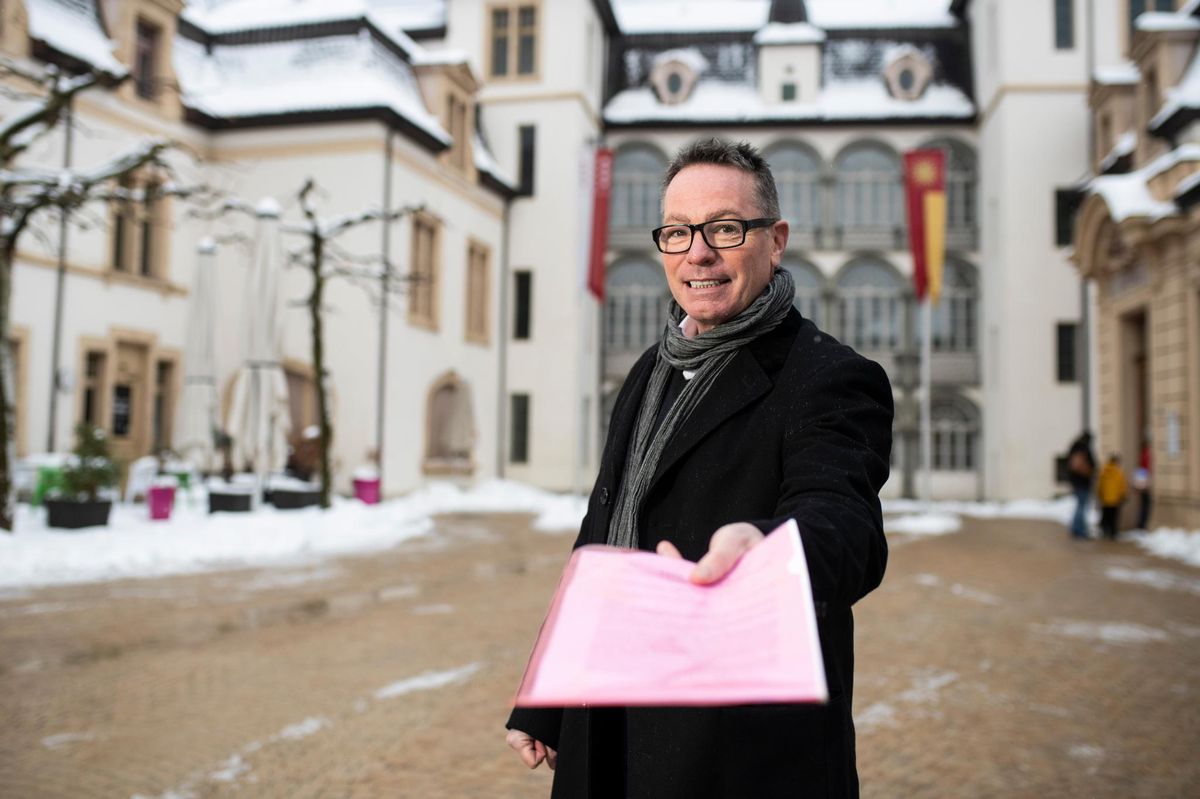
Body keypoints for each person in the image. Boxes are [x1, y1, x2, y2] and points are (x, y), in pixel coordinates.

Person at [505, 138, 893, 798]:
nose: (698, 252)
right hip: (609, 723)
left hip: (736, 755)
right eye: (678, 231)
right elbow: (603, 534)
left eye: (725, 228)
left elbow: (844, 521)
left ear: (776, 241)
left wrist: (769, 552)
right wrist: (547, 697)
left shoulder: (828, 376)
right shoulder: (650, 369)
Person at [1065, 431, 1097, 539]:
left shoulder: (1075, 448)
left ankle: (1076, 528)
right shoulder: (1083, 449)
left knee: (1080, 506)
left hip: (1077, 482)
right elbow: (1090, 464)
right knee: (1081, 507)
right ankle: (1080, 530)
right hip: (1083, 482)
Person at [1096, 454, 1127, 540]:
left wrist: (1099, 494)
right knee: (1114, 517)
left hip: (1105, 499)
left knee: (1106, 515)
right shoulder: (1118, 472)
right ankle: (1113, 532)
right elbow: (1122, 485)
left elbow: (1100, 485)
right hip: (1115, 499)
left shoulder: (1104, 471)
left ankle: (1105, 530)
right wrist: (1123, 494)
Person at [1134, 438, 1152, 530]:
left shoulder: (1142, 455)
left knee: (1143, 504)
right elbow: (1145, 469)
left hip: (1143, 482)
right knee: (1145, 505)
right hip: (1145, 483)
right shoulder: (1146, 455)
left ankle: (1141, 523)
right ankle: (1142, 524)